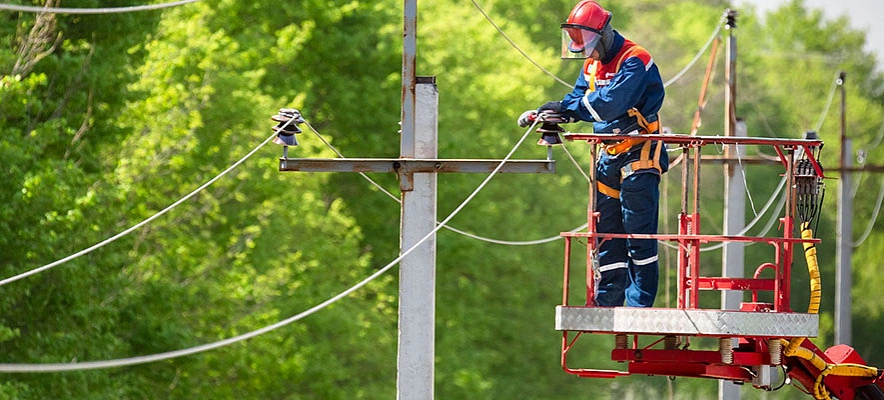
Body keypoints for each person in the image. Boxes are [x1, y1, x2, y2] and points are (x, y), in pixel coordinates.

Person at [518, 0, 668, 307]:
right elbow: (576, 98)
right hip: (608, 157)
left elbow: (609, 103)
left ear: (604, 34)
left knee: (638, 231)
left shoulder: (635, 60)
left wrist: (568, 110)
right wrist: (546, 113)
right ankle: (608, 299)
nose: (585, 54)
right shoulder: (592, 65)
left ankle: (639, 304)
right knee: (607, 231)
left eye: (588, 45)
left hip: (639, 155)